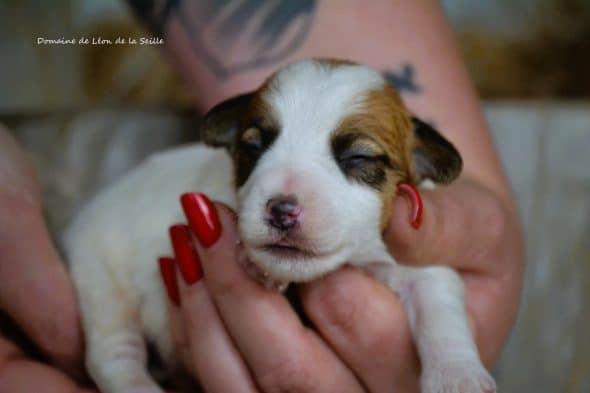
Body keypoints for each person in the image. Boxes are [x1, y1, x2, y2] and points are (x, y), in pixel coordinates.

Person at [0, 1, 524, 391]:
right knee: (115, 348)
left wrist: (452, 362)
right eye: (256, 148)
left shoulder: (408, 214)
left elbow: (431, 282)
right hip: (103, 281)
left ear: (417, 174)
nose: (285, 199)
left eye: (356, 160)